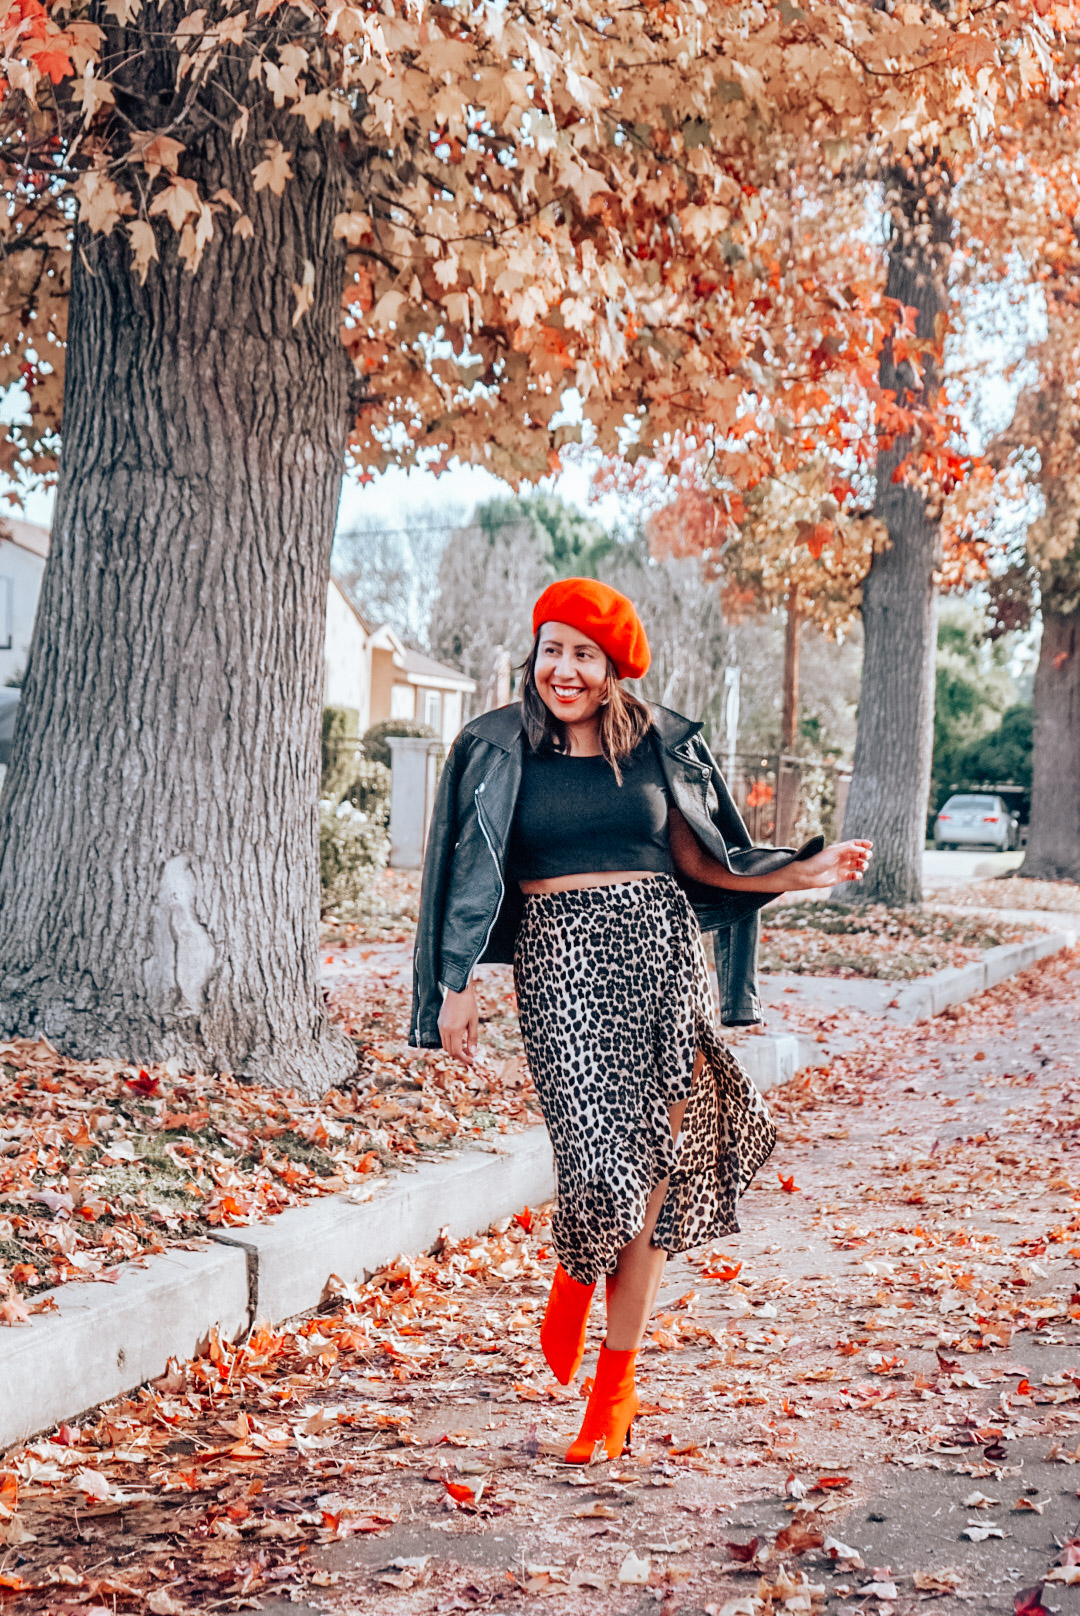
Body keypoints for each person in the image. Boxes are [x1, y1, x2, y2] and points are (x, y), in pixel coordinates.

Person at [410, 579, 871, 1464]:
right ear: (533, 656)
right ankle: (577, 1269)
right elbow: (459, 875)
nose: (564, 669)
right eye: (552, 649)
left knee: (656, 1165)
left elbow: (706, 854)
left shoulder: (659, 743)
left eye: (584, 654)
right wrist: (452, 982)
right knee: (592, 1160)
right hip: (562, 963)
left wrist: (803, 873)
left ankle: (612, 1390)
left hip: (660, 954)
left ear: (615, 667)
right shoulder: (495, 746)